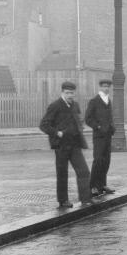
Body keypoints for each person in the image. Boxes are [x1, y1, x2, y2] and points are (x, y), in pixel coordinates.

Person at [39, 80, 92, 209]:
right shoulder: (55, 106)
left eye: (72, 93)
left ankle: (85, 200)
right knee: (62, 173)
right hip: (61, 145)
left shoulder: (75, 105)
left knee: (83, 171)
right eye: (67, 93)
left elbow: (78, 119)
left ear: (75, 93)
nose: (70, 95)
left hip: (74, 144)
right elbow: (44, 125)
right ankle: (63, 201)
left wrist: (80, 126)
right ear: (62, 92)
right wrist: (57, 133)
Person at [84, 78, 116, 197]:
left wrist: (112, 127)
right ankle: (93, 186)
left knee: (106, 160)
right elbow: (88, 118)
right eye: (104, 86)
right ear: (100, 87)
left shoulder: (108, 100)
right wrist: (97, 127)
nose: (106, 88)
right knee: (97, 160)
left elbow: (110, 116)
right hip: (98, 136)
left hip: (108, 135)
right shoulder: (94, 101)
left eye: (108, 86)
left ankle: (102, 185)